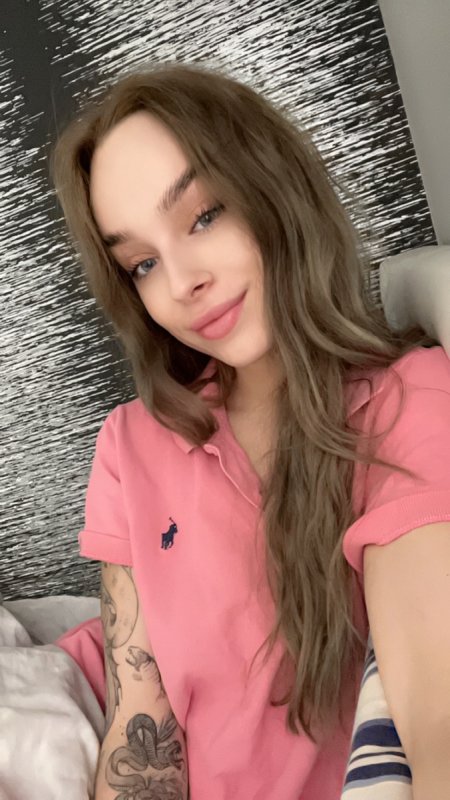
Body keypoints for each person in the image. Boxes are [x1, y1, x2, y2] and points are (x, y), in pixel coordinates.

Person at [52, 62, 450, 800]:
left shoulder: (406, 402)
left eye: (204, 215)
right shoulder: (131, 444)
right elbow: (143, 727)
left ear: (272, 184)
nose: (181, 283)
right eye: (142, 263)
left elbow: (438, 722)